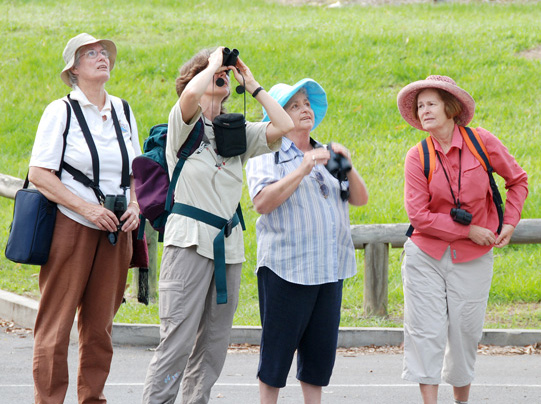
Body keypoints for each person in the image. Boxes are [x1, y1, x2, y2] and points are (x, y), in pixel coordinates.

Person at [141, 47, 293, 404]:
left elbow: (284, 126)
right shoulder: (183, 125)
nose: (220, 77)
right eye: (212, 74)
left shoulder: (233, 132)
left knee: (214, 345)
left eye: (223, 74)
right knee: (177, 341)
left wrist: (252, 85)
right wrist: (211, 63)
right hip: (188, 243)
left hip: (229, 246)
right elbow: (192, 95)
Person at [397, 75, 528, 404]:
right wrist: (467, 229)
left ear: (450, 107)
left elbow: (518, 180)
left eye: (431, 103)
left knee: (465, 334)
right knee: (426, 334)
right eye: (420, 106)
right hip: (425, 255)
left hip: (474, 256)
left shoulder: (481, 141)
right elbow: (418, 216)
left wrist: (509, 221)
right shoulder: (418, 156)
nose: (424, 110)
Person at [28, 33, 142, 403]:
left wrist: (136, 205)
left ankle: (93, 399)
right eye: (90, 54)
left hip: (115, 233)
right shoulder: (60, 111)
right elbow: (40, 173)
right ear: (74, 70)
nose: (101, 57)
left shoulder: (124, 110)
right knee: (55, 326)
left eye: (104, 52)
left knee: (100, 329)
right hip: (71, 227)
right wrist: (86, 208)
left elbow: (136, 172)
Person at [245, 78, 369, 404]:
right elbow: (261, 202)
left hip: (329, 267)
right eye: (294, 105)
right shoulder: (266, 153)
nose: (304, 110)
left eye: (306, 103)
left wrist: (349, 165)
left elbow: (360, 198)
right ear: (278, 116)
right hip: (286, 267)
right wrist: (302, 169)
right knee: (276, 356)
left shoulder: (327, 153)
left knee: (318, 359)